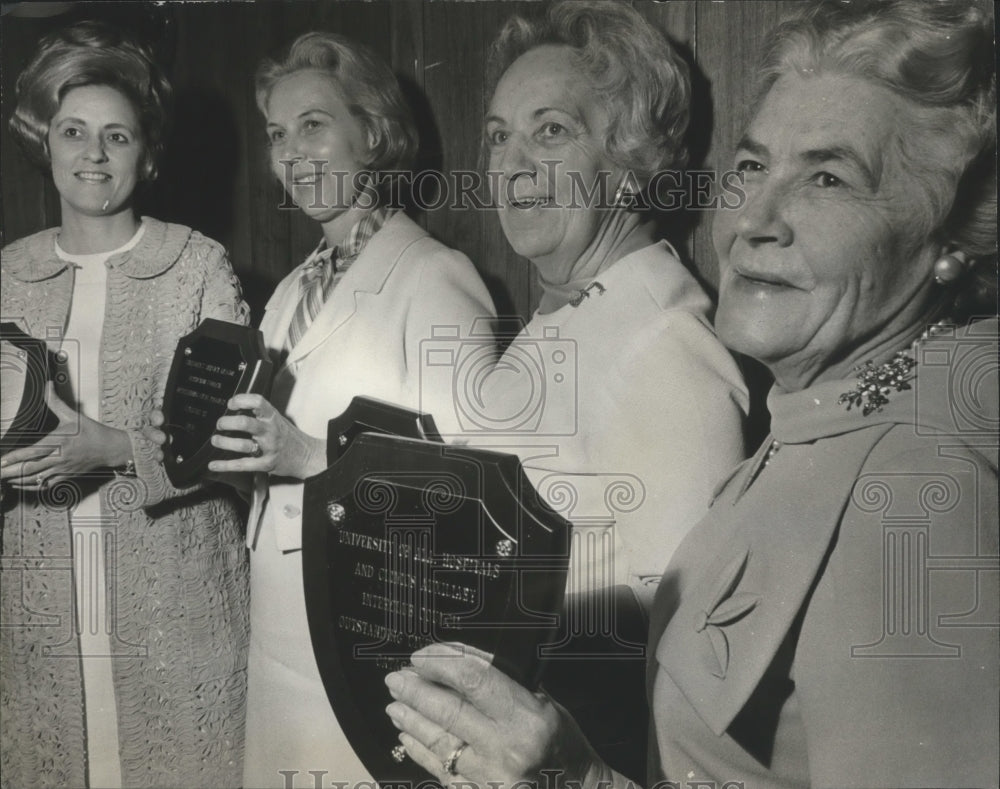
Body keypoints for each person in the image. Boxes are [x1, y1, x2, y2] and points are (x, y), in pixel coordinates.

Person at [383, 1, 999, 787]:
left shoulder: (923, 491)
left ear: (950, 239)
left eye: (828, 176)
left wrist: (575, 779)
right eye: (751, 167)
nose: (752, 220)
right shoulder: (818, 413)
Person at [157, 32, 497, 789]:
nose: (290, 152)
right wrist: (216, 451)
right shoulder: (285, 296)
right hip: (277, 637)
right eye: (278, 134)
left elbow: (472, 499)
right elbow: (269, 483)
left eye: (313, 125)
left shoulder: (437, 280)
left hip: (373, 649)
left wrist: (306, 454)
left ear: (372, 135)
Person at [430, 2, 747, 777]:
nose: (508, 165)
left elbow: (692, 689)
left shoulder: (666, 346)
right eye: (499, 136)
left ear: (630, 157)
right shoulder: (569, 309)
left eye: (550, 131)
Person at [0, 21, 250, 789]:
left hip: (175, 600)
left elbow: (236, 437)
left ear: (147, 152)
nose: (94, 154)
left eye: (117, 135)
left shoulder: (196, 266)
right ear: (46, 143)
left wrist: (114, 448)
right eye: (73, 132)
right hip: (38, 606)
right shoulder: (8, 272)